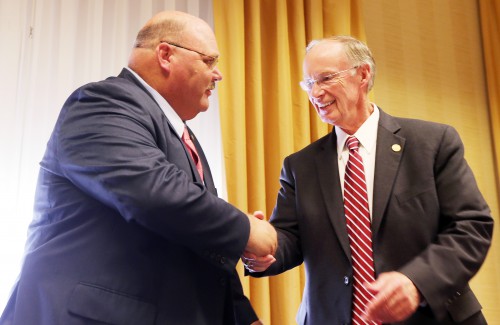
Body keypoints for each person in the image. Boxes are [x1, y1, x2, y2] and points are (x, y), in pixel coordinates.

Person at [0, 10, 277, 325]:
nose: (218, 75)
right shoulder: (101, 103)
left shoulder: (185, 138)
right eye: (209, 61)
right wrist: (246, 230)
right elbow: (155, 194)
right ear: (165, 54)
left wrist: (242, 316)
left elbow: (194, 239)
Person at [244, 36, 493, 324]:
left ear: (363, 74)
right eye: (309, 83)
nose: (316, 93)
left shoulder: (432, 143)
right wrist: (262, 248)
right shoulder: (300, 166)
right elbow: (290, 239)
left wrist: (417, 281)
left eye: (326, 78)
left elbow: (471, 225)